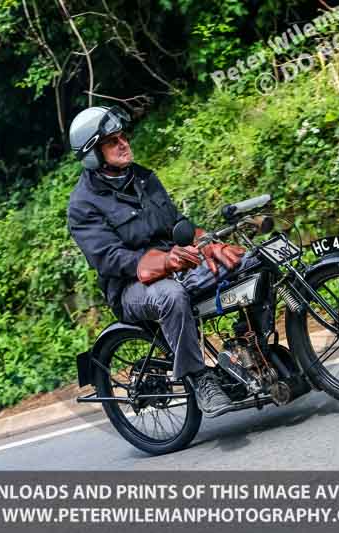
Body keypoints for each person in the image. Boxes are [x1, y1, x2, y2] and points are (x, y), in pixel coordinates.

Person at [66, 105, 248, 417]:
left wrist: (209, 244)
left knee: (246, 262)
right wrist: (164, 261)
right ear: (93, 154)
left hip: (177, 265)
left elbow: (178, 224)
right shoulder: (83, 205)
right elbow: (110, 258)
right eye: (112, 141)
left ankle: (251, 347)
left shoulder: (142, 177)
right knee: (171, 295)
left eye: (123, 136)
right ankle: (199, 378)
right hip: (131, 287)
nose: (124, 143)